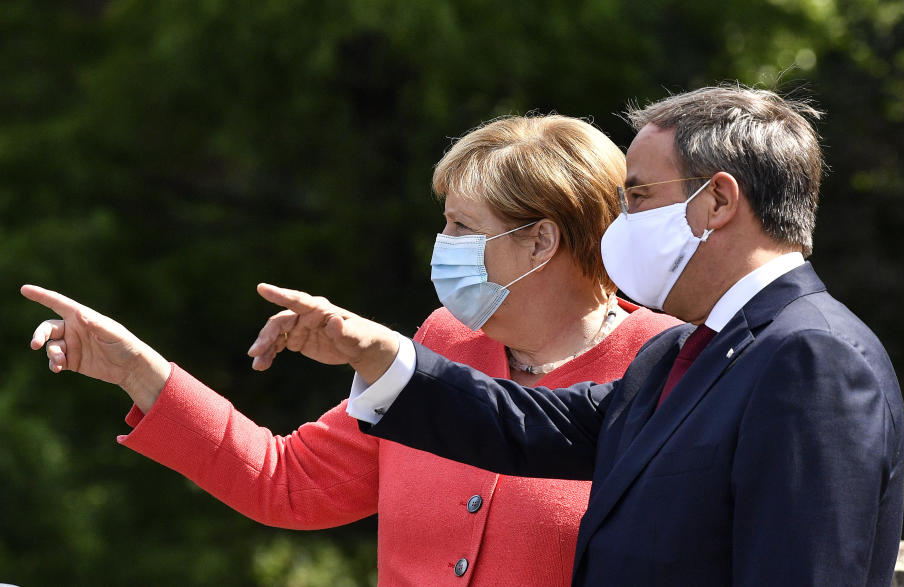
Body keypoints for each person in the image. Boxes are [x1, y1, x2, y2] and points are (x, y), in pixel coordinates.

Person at [236, 86, 904, 585]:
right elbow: (533, 425)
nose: (619, 222)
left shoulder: (810, 356)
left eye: (638, 196)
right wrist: (378, 354)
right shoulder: (688, 350)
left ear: (718, 202)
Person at [22, 115, 681, 585]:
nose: (442, 243)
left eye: (462, 226)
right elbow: (288, 482)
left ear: (541, 242)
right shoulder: (441, 343)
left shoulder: (666, 366)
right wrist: (137, 369)